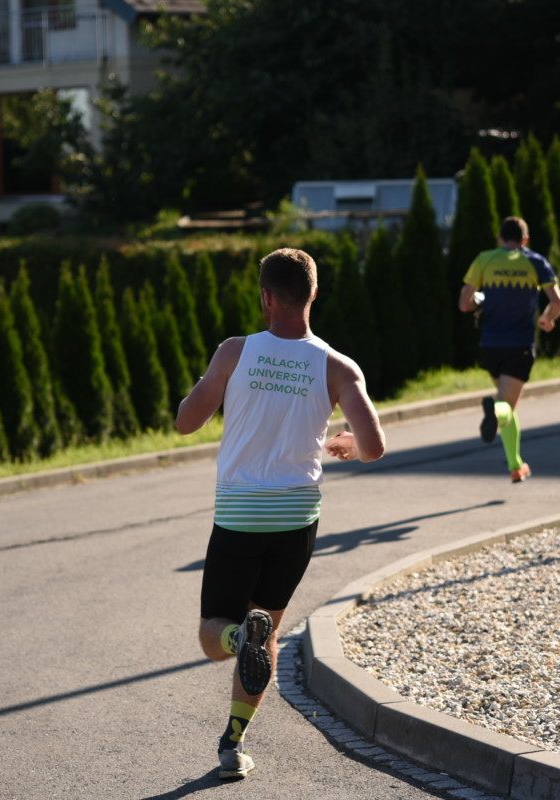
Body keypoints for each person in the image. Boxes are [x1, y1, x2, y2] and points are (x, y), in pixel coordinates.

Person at [176, 247, 386, 780]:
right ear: (313, 294)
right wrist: (348, 444)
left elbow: (186, 422)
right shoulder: (338, 366)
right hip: (297, 519)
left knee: (215, 634)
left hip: (240, 512)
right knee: (266, 629)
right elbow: (374, 446)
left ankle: (235, 640)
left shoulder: (235, 352)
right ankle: (233, 743)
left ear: (266, 297)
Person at [458, 216, 560, 483]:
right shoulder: (536, 261)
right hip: (519, 344)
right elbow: (557, 302)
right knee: (505, 405)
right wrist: (547, 319)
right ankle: (495, 412)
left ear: (500, 239)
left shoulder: (485, 259)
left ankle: (516, 466)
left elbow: (464, 303)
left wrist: (482, 301)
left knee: (508, 403)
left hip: (490, 346)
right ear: (525, 239)